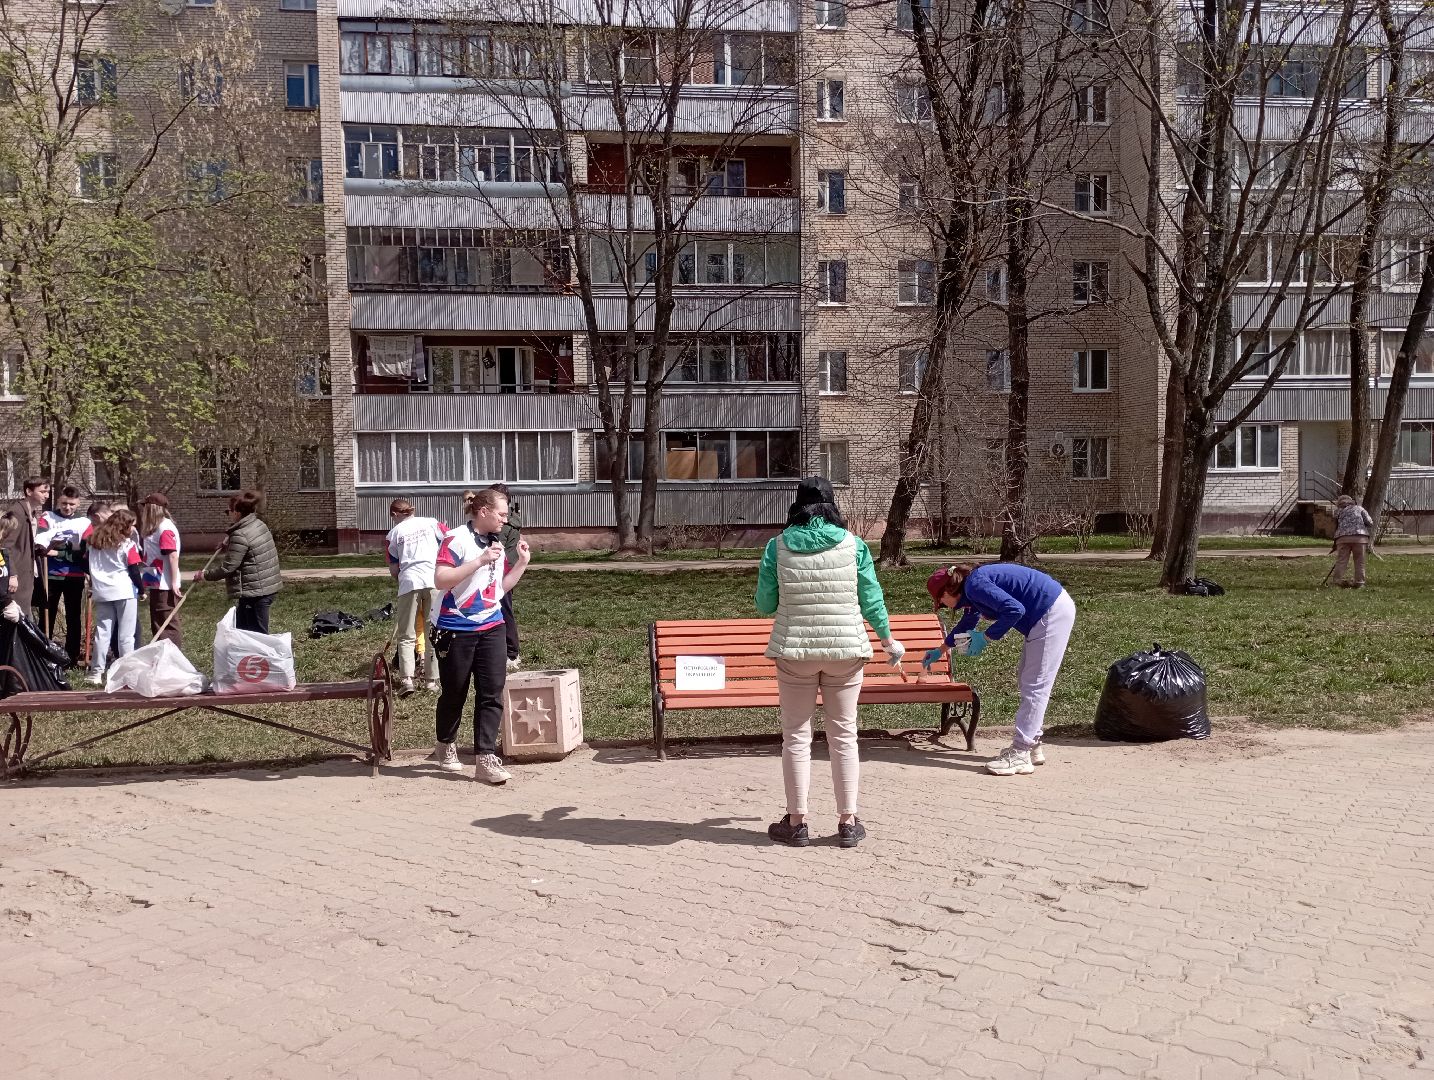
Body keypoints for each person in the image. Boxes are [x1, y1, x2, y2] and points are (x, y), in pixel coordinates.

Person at [754, 476, 904, 850]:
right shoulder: (854, 546)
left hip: (795, 653)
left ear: (797, 506)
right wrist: (887, 640)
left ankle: (797, 821)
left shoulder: (777, 546)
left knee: (797, 738)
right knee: (844, 736)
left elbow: (764, 605)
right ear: (832, 506)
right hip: (846, 652)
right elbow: (872, 599)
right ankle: (848, 822)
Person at [925, 562, 1077, 776]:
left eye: (940, 601)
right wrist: (940, 650)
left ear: (949, 589)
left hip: (1050, 611)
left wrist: (986, 637)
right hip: (1046, 612)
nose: (942, 605)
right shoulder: (972, 590)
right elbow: (968, 622)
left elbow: (1015, 610)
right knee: (1026, 677)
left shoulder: (975, 586)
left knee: (1035, 685)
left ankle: (1020, 754)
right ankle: (1032, 742)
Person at [430, 487, 531, 784]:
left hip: (492, 626)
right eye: (501, 514)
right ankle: (445, 744)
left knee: (491, 693)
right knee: (455, 693)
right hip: (456, 628)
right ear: (483, 511)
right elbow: (441, 578)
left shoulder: (496, 542)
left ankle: (485, 757)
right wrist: (479, 561)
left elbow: (498, 590)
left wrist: (522, 564)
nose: (506, 519)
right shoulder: (456, 539)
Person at [194, 490, 281, 633]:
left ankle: (262, 655)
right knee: (243, 633)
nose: (227, 514)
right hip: (264, 588)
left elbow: (229, 567)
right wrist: (229, 544)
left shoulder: (240, 534)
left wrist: (205, 575)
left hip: (255, 592)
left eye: (228, 511)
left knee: (257, 637)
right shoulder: (257, 524)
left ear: (237, 513)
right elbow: (250, 548)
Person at [386, 498, 448, 696]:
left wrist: (402, 579)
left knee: (406, 633)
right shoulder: (432, 522)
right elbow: (449, 540)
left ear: (395, 515)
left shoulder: (393, 534)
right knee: (433, 631)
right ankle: (431, 681)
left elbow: (394, 568)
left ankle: (407, 680)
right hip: (433, 581)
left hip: (409, 583)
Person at [84, 507, 143, 685]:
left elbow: (84, 564)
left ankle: (96, 672)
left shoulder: (93, 542)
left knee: (102, 632)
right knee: (126, 635)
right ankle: (126, 673)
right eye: (131, 525)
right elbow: (134, 570)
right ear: (124, 526)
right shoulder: (127, 545)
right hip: (124, 591)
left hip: (102, 591)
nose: (133, 529)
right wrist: (142, 589)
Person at [35, 484, 89, 664]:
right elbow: (41, 544)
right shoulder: (47, 517)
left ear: (78, 503)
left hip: (74, 575)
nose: (68, 508)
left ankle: (71, 657)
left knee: (74, 617)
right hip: (50, 574)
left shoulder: (84, 523)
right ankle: (45, 655)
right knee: (46, 615)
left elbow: (85, 552)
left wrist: (62, 552)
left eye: (72, 505)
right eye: (65, 503)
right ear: (59, 500)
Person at [3, 476, 48, 631]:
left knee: (25, 618)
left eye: (47, 492)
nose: (46, 495)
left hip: (28, 573)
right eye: (42, 491)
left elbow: (23, 542)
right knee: (17, 619)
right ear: (29, 491)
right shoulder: (17, 513)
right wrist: (12, 575)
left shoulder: (31, 513)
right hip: (17, 576)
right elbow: (5, 546)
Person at [139, 494, 183, 646]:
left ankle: (172, 657)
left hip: (165, 583)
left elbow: (172, 556)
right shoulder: (155, 528)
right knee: (157, 620)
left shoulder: (164, 528)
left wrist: (174, 583)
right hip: (155, 581)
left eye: (144, 507)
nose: (142, 510)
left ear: (151, 508)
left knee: (167, 622)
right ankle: (161, 653)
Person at [489, 483, 523, 671]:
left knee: (504, 610)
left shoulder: (502, 524)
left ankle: (512, 653)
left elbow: (495, 546)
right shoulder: (513, 519)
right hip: (506, 569)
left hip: (504, 571)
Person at [1331, 494, 1374, 589]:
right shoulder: (1359, 509)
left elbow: (1335, 525)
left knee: (1341, 560)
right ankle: (1360, 582)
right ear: (1351, 501)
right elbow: (1370, 522)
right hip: (1360, 538)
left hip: (1342, 538)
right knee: (1359, 561)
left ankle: (1337, 581)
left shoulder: (1338, 511)